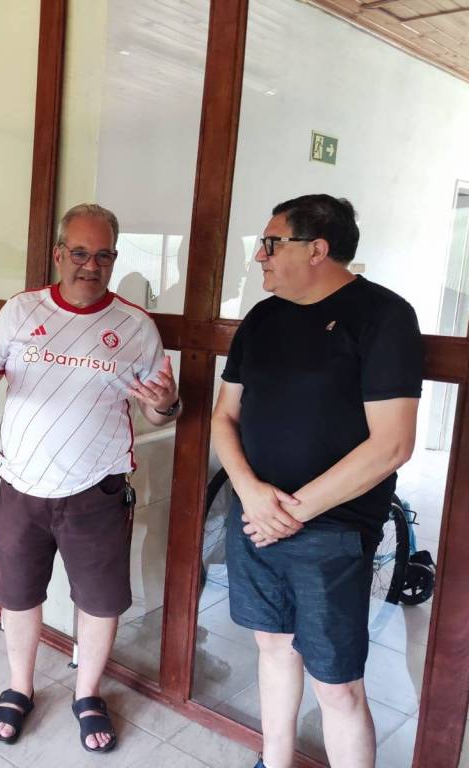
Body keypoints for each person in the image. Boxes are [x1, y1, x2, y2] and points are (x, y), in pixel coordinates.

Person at [0, 203, 181, 753]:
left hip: (96, 490)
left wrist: (167, 404)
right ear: (59, 254)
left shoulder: (135, 327)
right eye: (80, 253)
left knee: (99, 601)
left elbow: (158, 411)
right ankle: (19, 688)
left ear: (114, 259)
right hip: (21, 485)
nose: (90, 265)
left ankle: (87, 693)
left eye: (103, 255)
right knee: (18, 594)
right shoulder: (21, 310)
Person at [210, 195, 422, 768]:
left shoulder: (382, 316)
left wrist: (289, 513)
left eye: (271, 243)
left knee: (337, 684)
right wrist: (251, 494)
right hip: (255, 519)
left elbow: (392, 445)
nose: (260, 255)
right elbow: (224, 417)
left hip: (331, 533)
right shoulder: (261, 319)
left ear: (317, 249)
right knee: (273, 649)